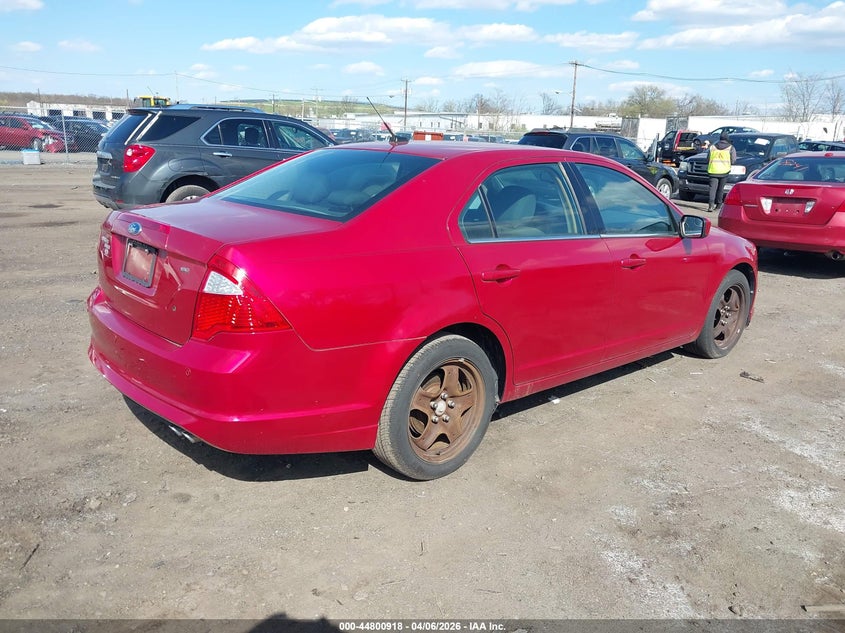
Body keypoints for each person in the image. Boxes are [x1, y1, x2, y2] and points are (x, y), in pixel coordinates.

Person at [707, 131, 737, 212]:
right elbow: (733, 160)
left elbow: (708, 158)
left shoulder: (712, 147)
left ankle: (710, 205)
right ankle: (719, 205)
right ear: (727, 139)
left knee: (712, 189)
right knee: (720, 189)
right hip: (724, 171)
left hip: (713, 170)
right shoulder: (731, 148)